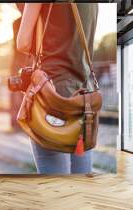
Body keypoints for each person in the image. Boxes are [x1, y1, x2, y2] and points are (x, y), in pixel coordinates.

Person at [16, 3, 98, 174]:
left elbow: (23, 43)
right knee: (81, 180)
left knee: (54, 183)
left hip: (52, 96)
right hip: (84, 97)